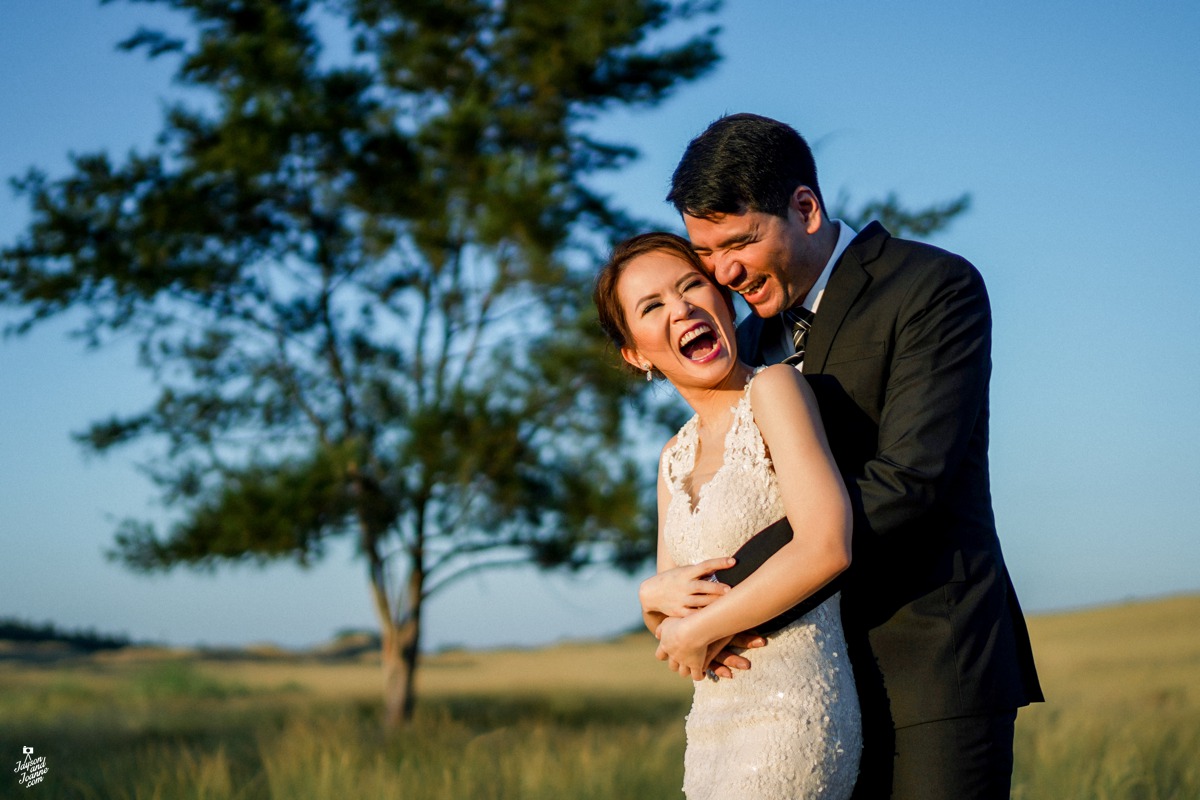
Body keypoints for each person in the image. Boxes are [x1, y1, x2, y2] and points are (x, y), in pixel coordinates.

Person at [665, 112, 1044, 799]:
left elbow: (910, 480)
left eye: (740, 242)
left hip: (933, 664)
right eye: (707, 252)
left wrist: (722, 598)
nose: (724, 272)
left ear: (805, 208)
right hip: (806, 692)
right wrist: (665, 591)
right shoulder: (744, 345)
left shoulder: (933, 287)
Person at [594, 232, 863, 798]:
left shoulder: (775, 389)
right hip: (713, 725)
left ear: (723, 297)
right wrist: (649, 600)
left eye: (691, 284)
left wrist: (703, 628)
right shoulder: (672, 458)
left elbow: (827, 545)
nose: (682, 307)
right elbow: (671, 618)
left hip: (791, 714)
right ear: (635, 353)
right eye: (652, 306)